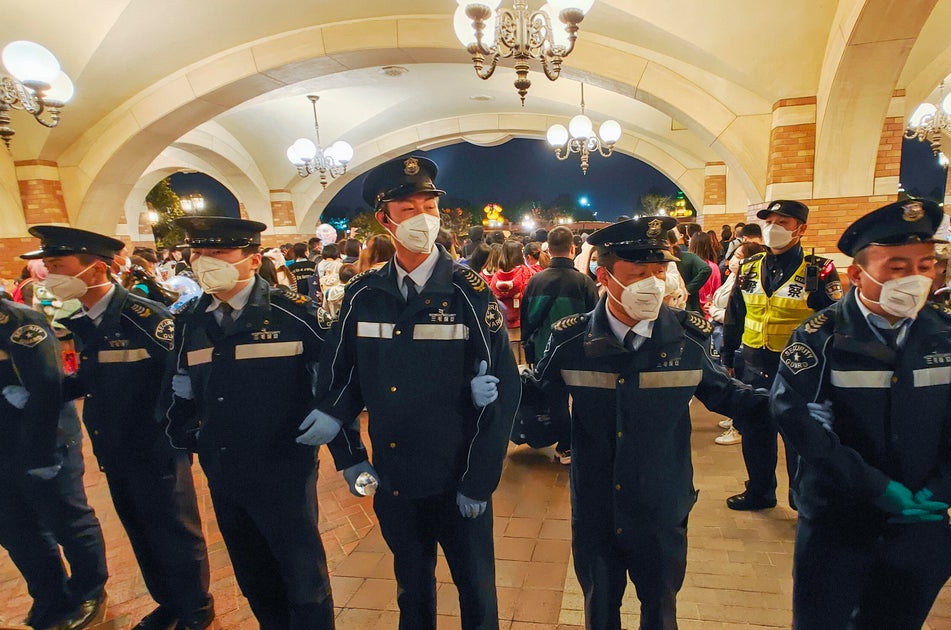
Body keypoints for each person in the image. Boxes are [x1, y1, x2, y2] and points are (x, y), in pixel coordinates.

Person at [769, 198, 951, 629]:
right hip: (839, 520)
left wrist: (943, 489)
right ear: (856, 275)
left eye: (925, 265)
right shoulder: (821, 336)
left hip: (922, 523)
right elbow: (800, 423)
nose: (914, 279)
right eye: (896, 268)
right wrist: (878, 488)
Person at [533, 216, 768, 630]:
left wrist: (792, 404)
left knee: (660, 610)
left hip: (661, 505)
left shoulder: (687, 339)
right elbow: (540, 398)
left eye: (659, 272)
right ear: (604, 276)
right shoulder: (571, 342)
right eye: (638, 274)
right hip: (595, 506)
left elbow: (727, 396)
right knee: (600, 608)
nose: (653, 284)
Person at [317, 156, 520, 630]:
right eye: (408, 208)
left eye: (429, 205)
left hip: (457, 477)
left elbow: (505, 392)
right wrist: (349, 456)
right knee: (412, 588)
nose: (423, 217)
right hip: (394, 476)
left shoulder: (470, 291)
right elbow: (340, 376)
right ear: (384, 219)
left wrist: (480, 479)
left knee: (476, 590)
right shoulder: (364, 292)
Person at [26, 227, 214, 630]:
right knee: (141, 529)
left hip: (154, 446)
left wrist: (175, 432)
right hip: (113, 446)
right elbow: (93, 379)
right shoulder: (83, 320)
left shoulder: (145, 317)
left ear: (96, 269)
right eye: (50, 265)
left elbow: (181, 377)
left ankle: (195, 607)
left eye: (59, 266)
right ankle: (169, 601)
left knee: (174, 530)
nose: (51, 274)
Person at [163, 216, 334, 629]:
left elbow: (334, 372)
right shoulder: (189, 320)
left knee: (302, 575)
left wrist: (329, 416)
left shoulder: (291, 313)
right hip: (223, 468)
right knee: (253, 572)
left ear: (254, 260)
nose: (204, 262)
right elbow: (181, 386)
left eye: (218, 254)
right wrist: (186, 432)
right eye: (198, 254)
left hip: (284, 468)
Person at [0, 241, 109, 630]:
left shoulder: (15, 321)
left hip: (37, 444)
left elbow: (47, 390)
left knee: (68, 521)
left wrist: (41, 455)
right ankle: (49, 596)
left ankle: (89, 592)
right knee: (15, 529)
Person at [719, 200, 841, 509]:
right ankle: (759, 491)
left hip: (798, 369)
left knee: (798, 436)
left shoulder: (818, 270)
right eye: (768, 221)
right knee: (755, 431)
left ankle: (801, 498)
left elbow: (834, 321)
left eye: (782, 222)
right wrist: (727, 357)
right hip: (752, 363)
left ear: (801, 229)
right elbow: (735, 314)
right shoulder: (749, 267)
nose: (773, 228)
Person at [519, 226, 600, 464]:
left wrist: (529, 350)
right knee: (582, 400)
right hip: (580, 352)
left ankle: (563, 445)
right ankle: (577, 445)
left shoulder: (535, 281)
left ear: (549, 250)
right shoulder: (584, 282)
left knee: (556, 401)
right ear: (573, 249)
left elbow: (527, 320)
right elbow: (596, 319)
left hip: (546, 352)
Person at [667, 230, 710, 311]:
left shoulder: (687, 257)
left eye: (666, 243)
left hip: (687, 305)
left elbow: (706, 269)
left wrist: (688, 289)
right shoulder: (660, 261)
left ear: (674, 243)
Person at [688, 232, 721, 318]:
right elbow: (716, 290)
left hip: (689, 309)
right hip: (707, 310)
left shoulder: (687, 265)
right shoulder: (713, 267)